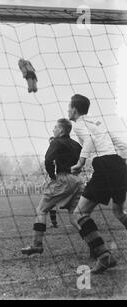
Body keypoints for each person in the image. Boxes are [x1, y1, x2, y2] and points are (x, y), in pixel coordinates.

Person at [69, 94, 127, 274]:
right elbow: (119, 143)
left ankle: (104, 257)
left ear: (75, 110)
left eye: (69, 107)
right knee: (118, 212)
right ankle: (103, 256)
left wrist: (80, 163)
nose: (68, 110)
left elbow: (89, 141)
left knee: (79, 213)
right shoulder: (97, 122)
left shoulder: (78, 124)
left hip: (104, 166)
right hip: (119, 164)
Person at [21, 118, 84, 256]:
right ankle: (96, 246)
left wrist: (52, 175)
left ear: (61, 130)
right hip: (77, 181)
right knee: (75, 217)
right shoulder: (76, 145)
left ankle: (37, 245)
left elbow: (48, 160)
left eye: (55, 127)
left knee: (41, 210)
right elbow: (82, 160)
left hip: (63, 178)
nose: (53, 130)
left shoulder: (56, 141)